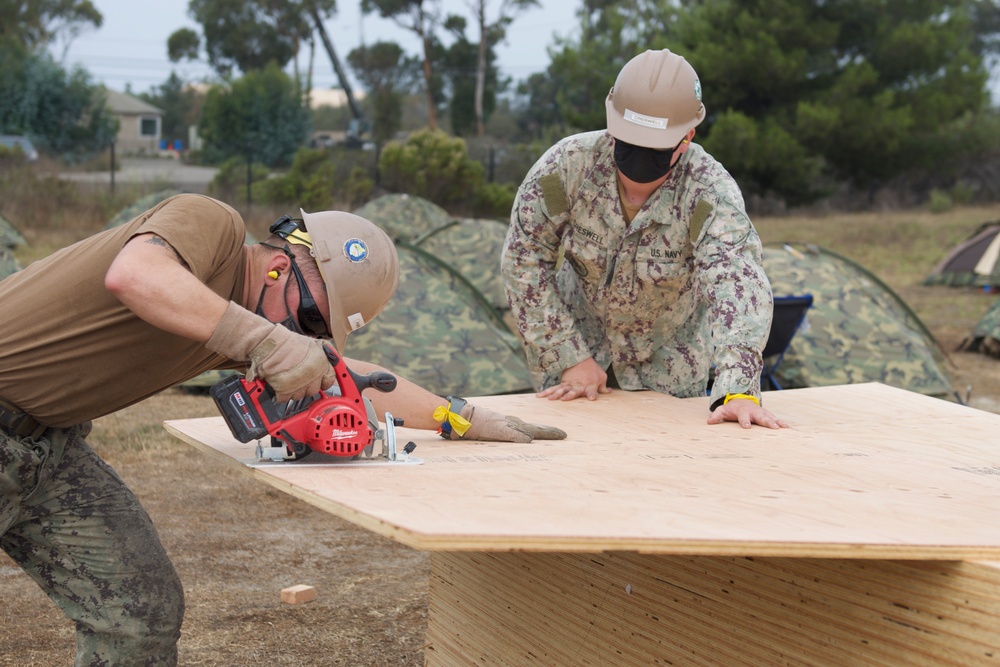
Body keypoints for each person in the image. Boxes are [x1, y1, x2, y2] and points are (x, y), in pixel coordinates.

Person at [0, 193, 565, 666]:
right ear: (278, 265)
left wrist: (458, 415)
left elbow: (356, 379)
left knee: (139, 613)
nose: (302, 335)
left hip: (44, 449)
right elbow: (136, 274)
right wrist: (268, 341)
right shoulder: (210, 223)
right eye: (311, 319)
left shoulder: (238, 326)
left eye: (317, 329)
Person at [502, 48, 787, 430]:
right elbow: (524, 259)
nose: (637, 156)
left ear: (686, 137)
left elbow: (737, 284)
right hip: (577, 372)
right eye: (628, 139)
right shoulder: (566, 168)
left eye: (653, 147)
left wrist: (738, 388)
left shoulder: (708, 192)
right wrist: (566, 354)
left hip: (669, 375)